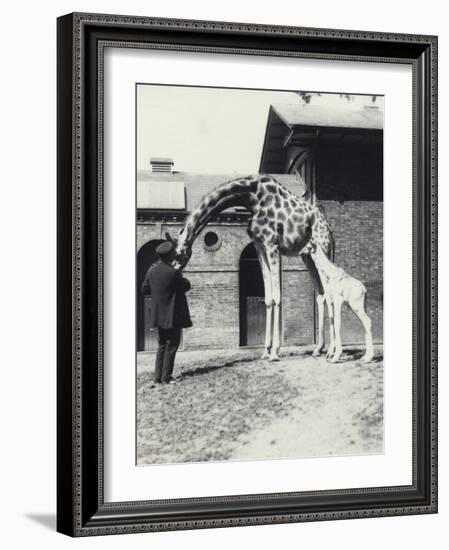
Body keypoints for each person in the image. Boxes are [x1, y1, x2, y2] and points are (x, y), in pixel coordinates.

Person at [141, 241, 192, 384]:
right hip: (172, 315)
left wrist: (158, 292)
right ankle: (166, 377)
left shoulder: (151, 270)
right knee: (172, 345)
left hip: (158, 315)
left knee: (162, 345)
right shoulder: (173, 272)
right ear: (170, 255)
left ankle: (157, 378)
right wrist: (180, 273)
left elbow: (144, 289)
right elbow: (186, 286)